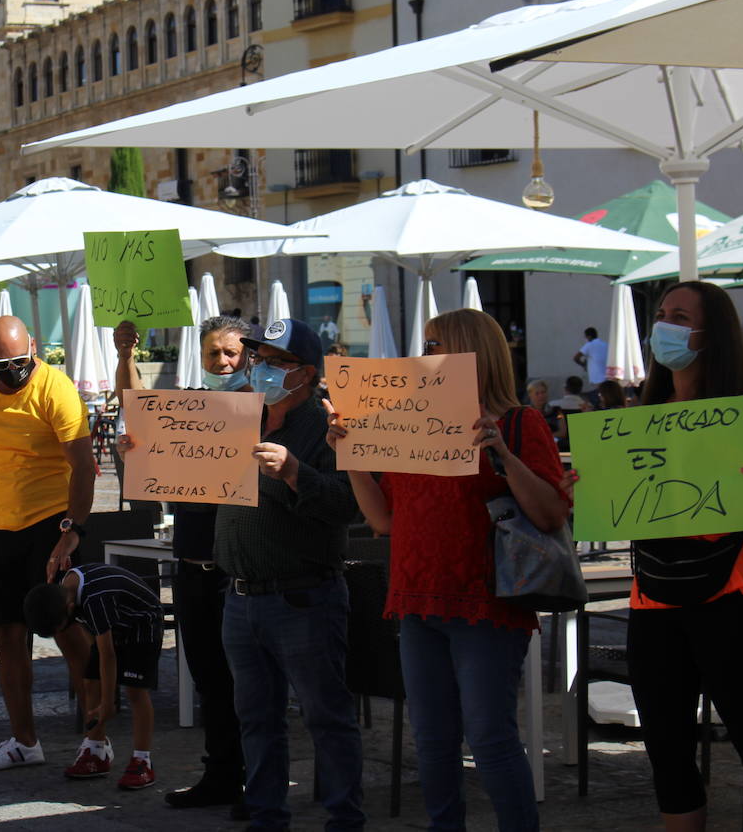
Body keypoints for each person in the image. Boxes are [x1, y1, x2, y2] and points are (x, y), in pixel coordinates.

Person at [569, 281, 743, 830]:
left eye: (680, 316)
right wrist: (584, 489)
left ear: (710, 332)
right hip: (653, 603)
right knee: (667, 753)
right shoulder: (639, 411)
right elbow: (614, 507)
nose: (665, 326)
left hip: (734, 598)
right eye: (662, 315)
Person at [329, 308, 567, 832]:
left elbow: (551, 513)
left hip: (486, 600)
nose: (424, 354)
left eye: (434, 344)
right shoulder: (411, 422)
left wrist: (502, 453)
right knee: (431, 740)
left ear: (469, 353)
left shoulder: (518, 422)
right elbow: (383, 520)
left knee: (489, 738)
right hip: (417, 600)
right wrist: (350, 457)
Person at [215, 318, 365, 831]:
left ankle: (345, 818)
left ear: (306, 373)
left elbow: (350, 507)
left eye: (275, 363)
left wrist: (293, 472)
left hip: (303, 595)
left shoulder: (331, 424)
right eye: (259, 360)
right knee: (256, 719)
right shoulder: (242, 418)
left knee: (325, 716)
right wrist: (145, 453)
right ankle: (266, 816)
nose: (261, 370)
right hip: (241, 596)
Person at [0, 315, 96, 773]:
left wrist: (72, 531)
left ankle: (96, 736)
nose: (14, 370)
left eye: (21, 359)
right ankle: (24, 741)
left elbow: (85, 467)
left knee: (67, 629)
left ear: (34, 346)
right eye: (2, 362)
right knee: (6, 636)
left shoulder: (55, 389)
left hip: (50, 521)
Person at [114, 316, 249, 812]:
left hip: (240, 573)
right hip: (192, 568)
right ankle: (219, 776)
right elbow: (139, 411)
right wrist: (126, 355)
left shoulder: (255, 410)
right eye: (214, 353)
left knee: (247, 685)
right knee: (210, 680)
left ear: (247, 355)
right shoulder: (189, 403)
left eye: (231, 353)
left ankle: (256, 780)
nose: (223, 362)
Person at [24, 562, 163, 790]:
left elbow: (108, 655)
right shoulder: (65, 589)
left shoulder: (95, 599)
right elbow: (96, 645)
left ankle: (142, 761)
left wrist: (108, 703)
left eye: (61, 628)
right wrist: (95, 666)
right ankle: (96, 751)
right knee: (90, 680)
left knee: (135, 692)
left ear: (69, 608)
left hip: (142, 625)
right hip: (113, 624)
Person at [525, 379, 567, 449]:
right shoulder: (526, 413)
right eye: (537, 393)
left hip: (553, 446)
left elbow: (563, 432)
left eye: (543, 392)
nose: (541, 395)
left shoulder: (557, 411)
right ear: (530, 395)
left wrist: (544, 438)